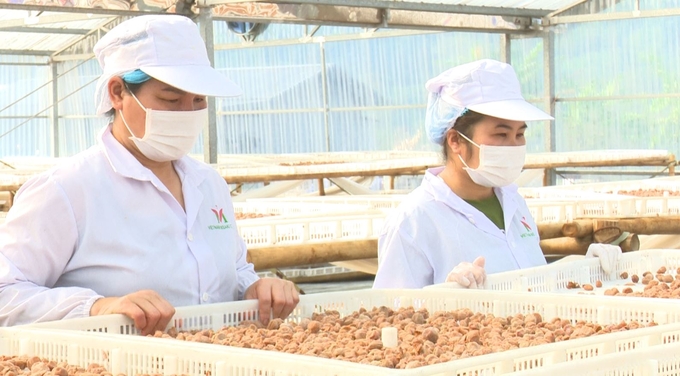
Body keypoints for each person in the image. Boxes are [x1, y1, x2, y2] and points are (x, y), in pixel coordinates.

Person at [0, 15, 299, 334]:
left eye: (199, 100)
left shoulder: (208, 184)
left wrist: (255, 289)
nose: (188, 113)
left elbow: (234, 271)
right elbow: (6, 292)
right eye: (170, 99)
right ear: (118, 93)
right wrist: (99, 307)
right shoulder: (67, 191)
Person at [373, 59, 621, 289]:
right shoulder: (413, 222)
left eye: (519, 134)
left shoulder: (513, 204)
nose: (514, 146)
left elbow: (531, 283)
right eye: (501, 135)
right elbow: (391, 318)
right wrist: (444, 296)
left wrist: (583, 269)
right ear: (456, 140)